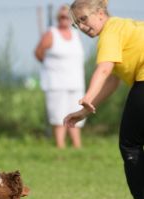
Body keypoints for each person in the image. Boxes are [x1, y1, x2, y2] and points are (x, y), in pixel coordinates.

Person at [63, 0, 144, 199]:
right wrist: (83, 112)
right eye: (76, 23)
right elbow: (112, 80)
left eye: (83, 19)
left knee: (130, 145)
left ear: (100, 13)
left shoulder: (109, 32)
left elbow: (105, 68)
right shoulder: (123, 27)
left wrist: (87, 96)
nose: (81, 26)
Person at [35, 5, 85, 149]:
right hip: (56, 83)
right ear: (58, 18)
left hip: (76, 82)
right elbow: (39, 53)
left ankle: (77, 146)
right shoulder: (51, 33)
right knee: (58, 115)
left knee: (76, 114)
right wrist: (50, 66)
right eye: (62, 17)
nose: (65, 20)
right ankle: (60, 146)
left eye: (68, 17)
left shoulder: (76, 34)